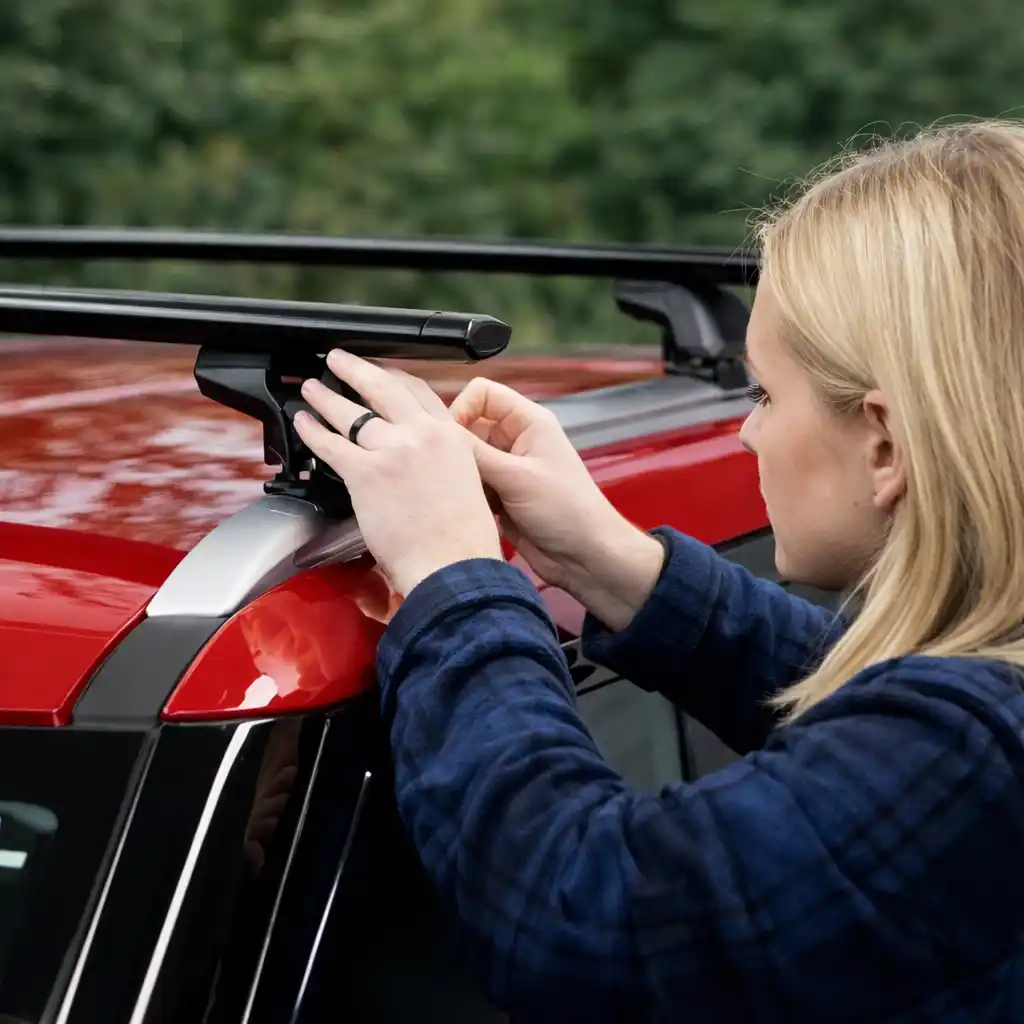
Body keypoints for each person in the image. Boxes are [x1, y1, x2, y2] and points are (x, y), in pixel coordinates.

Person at [292, 118, 1024, 1022]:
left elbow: (587, 918)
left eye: (764, 393)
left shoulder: (974, 752)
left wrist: (453, 578)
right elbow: (869, 705)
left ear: (883, 443)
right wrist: (612, 560)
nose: (747, 430)